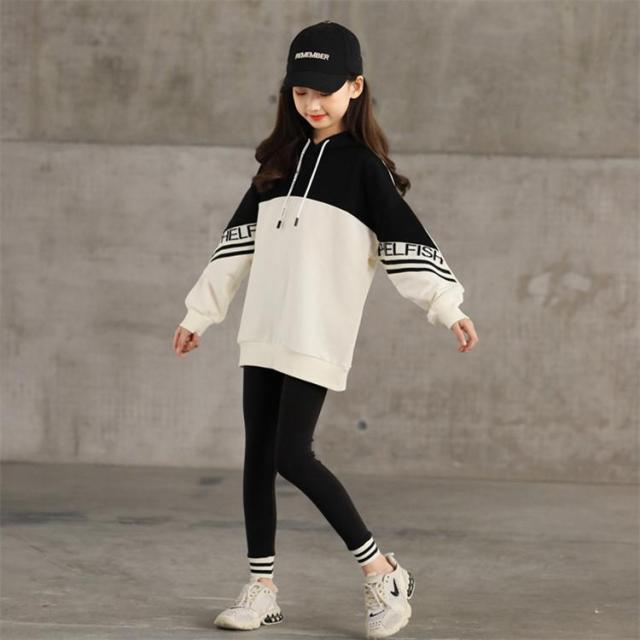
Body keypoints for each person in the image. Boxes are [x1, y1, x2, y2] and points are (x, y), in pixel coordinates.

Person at [172, 20, 478, 640]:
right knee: (259, 458)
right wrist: (199, 313)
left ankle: (382, 572)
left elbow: (406, 243)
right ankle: (262, 588)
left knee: (292, 454)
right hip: (263, 329)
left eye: (325, 90)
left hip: (315, 333)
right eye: (300, 91)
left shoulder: (364, 169)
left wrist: (447, 305)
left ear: (355, 87)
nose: (312, 103)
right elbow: (236, 246)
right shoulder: (278, 165)